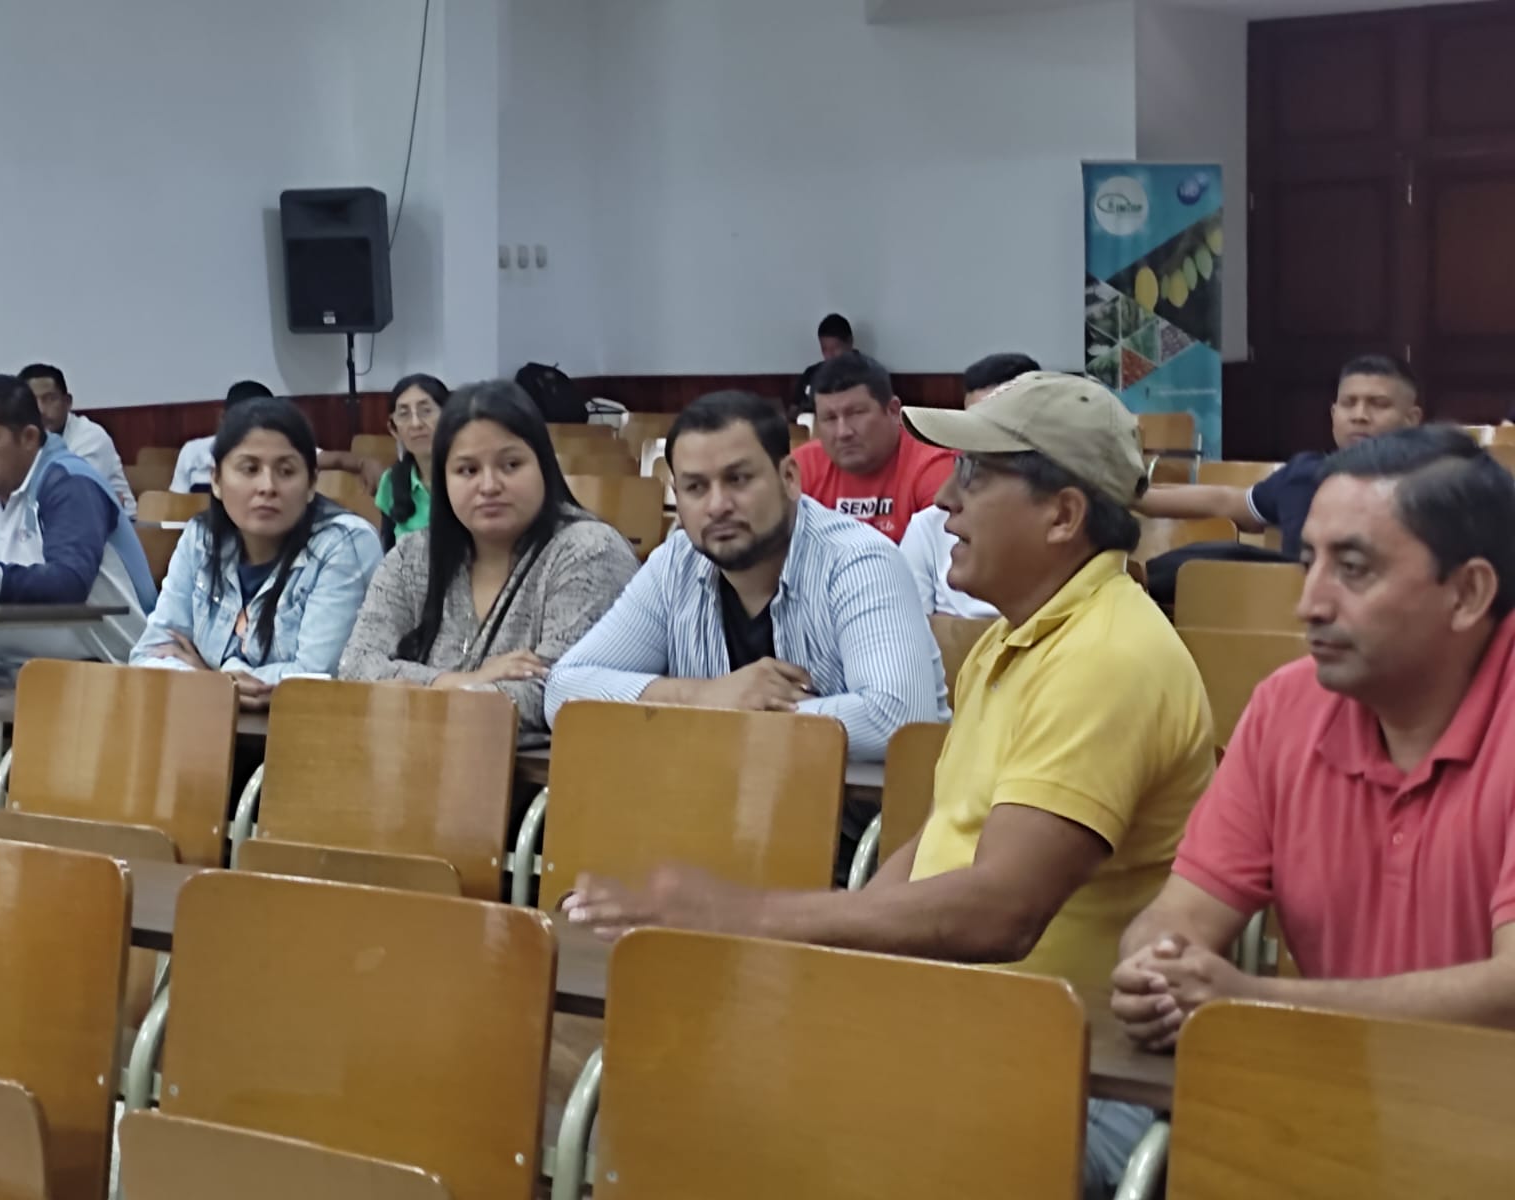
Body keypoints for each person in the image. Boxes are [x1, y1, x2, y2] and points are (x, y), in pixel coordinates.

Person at [564, 373, 1216, 1200]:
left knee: (728, 1123)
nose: (944, 499)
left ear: (1062, 515)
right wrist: (836, 970)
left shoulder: (1106, 660)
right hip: (958, 1021)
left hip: (1072, 1066)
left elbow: (1000, 911)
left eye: (976, 476)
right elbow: (942, 837)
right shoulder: (1015, 639)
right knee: (677, 1084)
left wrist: (745, 916)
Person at [1113, 426, 1515, 1056]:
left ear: (1467, 594)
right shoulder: (1286, 705)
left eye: (1352, 570)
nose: (1309, 604)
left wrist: (1253, 1002)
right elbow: (1182, 911)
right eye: (1308, 564)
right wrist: (1159, 968)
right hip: (1333, 1087)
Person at [546, 389, 946, 764]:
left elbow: (898, 718)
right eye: (696, 487)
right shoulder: (674, 564)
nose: (718, 505)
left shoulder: (859, 561)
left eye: (738, 479)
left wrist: (743, 714)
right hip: (718, 801)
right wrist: (702, 697)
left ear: (789, 478)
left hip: (860, 812)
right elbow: (564, 691)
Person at [339, 380, 638, 747]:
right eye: (467, 470)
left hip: (537, 776)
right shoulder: (412, 556)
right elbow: (355, 667)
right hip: (412, 761)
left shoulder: (589, 551)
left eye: (511, 465)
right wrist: (463, 681)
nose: (489, 485)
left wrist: (413, 690)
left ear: (544, 465)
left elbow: (555, 693)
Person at [0, 375, 159, 829]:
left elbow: (69, 580)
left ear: (29, 437)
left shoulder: (69, 482)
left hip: (101, 667)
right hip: (11, 666)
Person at [131, 397, 382, 708]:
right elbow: (148, 654)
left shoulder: (346, 544)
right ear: (216, 480)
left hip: (311, 729)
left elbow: (315, 678)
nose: (267, 486)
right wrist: (221, 685)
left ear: (311, 484)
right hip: (207, 722)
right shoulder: (201, 538)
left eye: (286, 471)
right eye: (249, 469)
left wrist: (213, 679)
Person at [1139, 354, 1422, 560]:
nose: (1360, 415)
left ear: (1412, 419)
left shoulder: (1431, 486)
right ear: (1334, 414)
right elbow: (1225, 501)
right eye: (1349, 403)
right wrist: (1129, 495)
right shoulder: (1304, 474)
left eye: (1378, 404)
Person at [899, 352, 1040, 618]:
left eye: (987, 434)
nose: (943, 498)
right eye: (965, 460)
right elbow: (902, 636)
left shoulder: (1074, 543)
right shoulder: (928, 527)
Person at [792, 352, 952, 543]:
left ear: (893, 411)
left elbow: (940, 556)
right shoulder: (802, 466)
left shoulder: (933, 467)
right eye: (830, 418)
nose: (843, 432)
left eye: (856, 413)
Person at [169, 380, 385, 495]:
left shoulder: (282, 450)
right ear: (223, 419)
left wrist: (364, 462)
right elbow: (175, 508)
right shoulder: (193, 453)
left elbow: (335, 459)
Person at [19, 363, 137, 516]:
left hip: (113, 526)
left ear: (67, 402)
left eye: (50, 399)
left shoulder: (90, 437)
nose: (41, 409)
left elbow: (73, 496)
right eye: (32, 401)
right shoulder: (21, 439)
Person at [373, 373, 447, 550]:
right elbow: (389, 549)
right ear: (393, 429)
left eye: (426, 411)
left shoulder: (469, 477)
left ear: (449, 417)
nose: (415, 424)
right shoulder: (391, 481)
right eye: (404, 414)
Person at [789, 312, 855, 417]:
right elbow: (793, 410)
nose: (829, 355)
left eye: (835, 348)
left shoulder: (867, 373)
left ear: (850, 342)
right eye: (824, 349)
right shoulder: (812, 373)